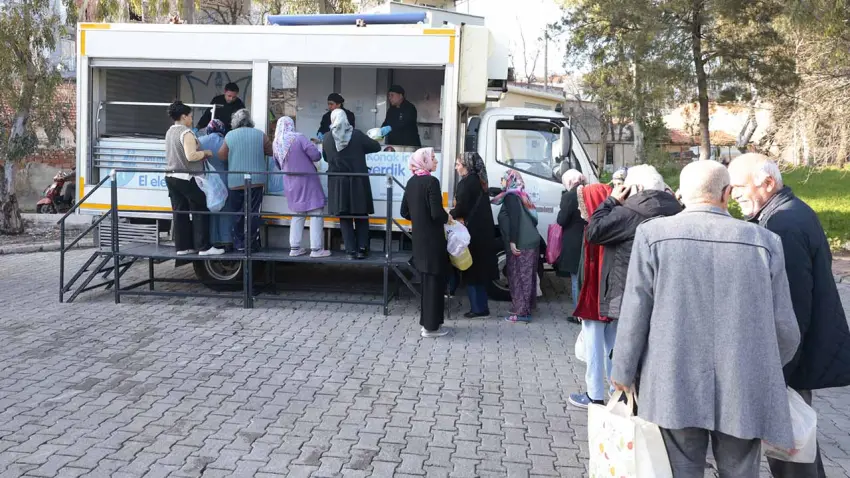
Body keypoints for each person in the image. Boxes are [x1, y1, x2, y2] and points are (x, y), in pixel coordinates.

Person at [611, 160, 800, 478]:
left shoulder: (653, 235)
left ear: (681, 194)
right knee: (741, 471)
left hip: (672, 379)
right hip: (743, 383)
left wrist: (623, 371)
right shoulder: (765, 241)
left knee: (679, 469)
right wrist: (763, 368)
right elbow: (786, 328)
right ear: (727, 193)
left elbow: (635, 312)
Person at [729, 153, 850, 478]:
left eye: (739, 186)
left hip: (788, 361)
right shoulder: (787, 214)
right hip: (794, 358)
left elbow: (792, 308)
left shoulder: (783, 224)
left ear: (768, 183)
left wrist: (778, 372)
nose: (734, 194)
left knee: (793, 456)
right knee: (796, 451)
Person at [569, 165, 681, 409]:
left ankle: (616, 399)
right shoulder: (676, 209)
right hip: (666, 294)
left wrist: (610, 201)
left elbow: (594, 231)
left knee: (623, 349)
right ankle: (629, 398)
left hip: (629, 294)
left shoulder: (630, 212)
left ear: (636, 188)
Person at [567, 182, 613, 407]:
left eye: (583, 203)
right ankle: (616, 392)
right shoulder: (613, 226)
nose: (580, 208)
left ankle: (595, 395)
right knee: (612, 347)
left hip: (596, 299)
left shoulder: (595, 231)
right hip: (611, 298)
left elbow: (590, 270)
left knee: (594, 349)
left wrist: (584, 300)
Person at [401, 147, 451, 338]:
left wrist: (418, 218)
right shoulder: (432, 182)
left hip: (419, 239)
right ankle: (431, 327)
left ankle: (429, 324)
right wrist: (448, 218)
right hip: (433, 239)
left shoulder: (412, 181)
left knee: (427, 282)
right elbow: (437, 213)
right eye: (433, 158)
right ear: (424, 161)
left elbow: (404, 211)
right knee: (434, 283)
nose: (436, 161)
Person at [163, 101, 224, 257]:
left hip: (170, 176)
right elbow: (191, 156)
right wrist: (206, 153)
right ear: (183, 117)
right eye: (190, 116)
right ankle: (204, 247)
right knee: (200, 209)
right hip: (186, 176)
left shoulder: (170, 132)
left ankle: (183, 247)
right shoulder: (186, 133)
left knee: (180, 212)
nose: (191, 119)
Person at [323, 108, 381, 260]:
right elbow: (376, 147)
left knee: (345, 217)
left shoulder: (327, 137)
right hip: (358, 181)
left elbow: (325, 157)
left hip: (338, 184)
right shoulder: (356, 135)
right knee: (361, 215)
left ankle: (350, 251)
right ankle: (362, 249)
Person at [272, 116, 331, 258]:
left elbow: (278, 164)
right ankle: (316, 249)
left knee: (298, 214)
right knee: (316, 212)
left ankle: (294, 248)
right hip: (307, 180)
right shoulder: (298, 138)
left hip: (290, 183)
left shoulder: (277, 142)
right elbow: (316, 156)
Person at [449, 152, 498, 318]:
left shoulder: (466, 183)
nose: (456, 168)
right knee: (479, 269)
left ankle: (478, 309)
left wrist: (448, 214)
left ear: (467, 166)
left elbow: (461, 208)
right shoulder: (480, 180)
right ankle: (482, 306)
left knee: (472, 269)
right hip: (482, 231)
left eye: (458, 164)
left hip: (472, 233)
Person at [218, 109, 273, 252]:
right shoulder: (260, 134)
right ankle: (251, 243)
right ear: (250, 121)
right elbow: (271, 151)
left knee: (238, 213)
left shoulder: (230, 135)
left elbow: (222, 156)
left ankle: (239, 243)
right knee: (253, 212)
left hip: (235, 181)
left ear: (235, 122)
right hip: (256, 180)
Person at [493, 170, 539, 323]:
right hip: (529, 241)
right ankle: (524, 307)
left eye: (503, 179)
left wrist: (513, 241)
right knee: (526, 276)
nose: (502, 182)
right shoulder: (520, 194)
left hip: (521, 242)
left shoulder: (511, 197)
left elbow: (515, 219)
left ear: (510, 180)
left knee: (520, 277)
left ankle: (522, 313)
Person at [555, 169, 587, 324]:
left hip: (574, 241)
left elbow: (562, 220)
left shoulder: (569, 196)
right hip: (589, 238)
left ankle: (578, 314)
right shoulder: (589, 191)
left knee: (576, 279)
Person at [197, 119, 233, 248]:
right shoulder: (226, 142)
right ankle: (226, 240)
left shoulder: (200, 141)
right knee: (226, 209)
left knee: (210, 208)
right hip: (224, 179)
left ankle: (212, 240)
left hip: (207, 180)